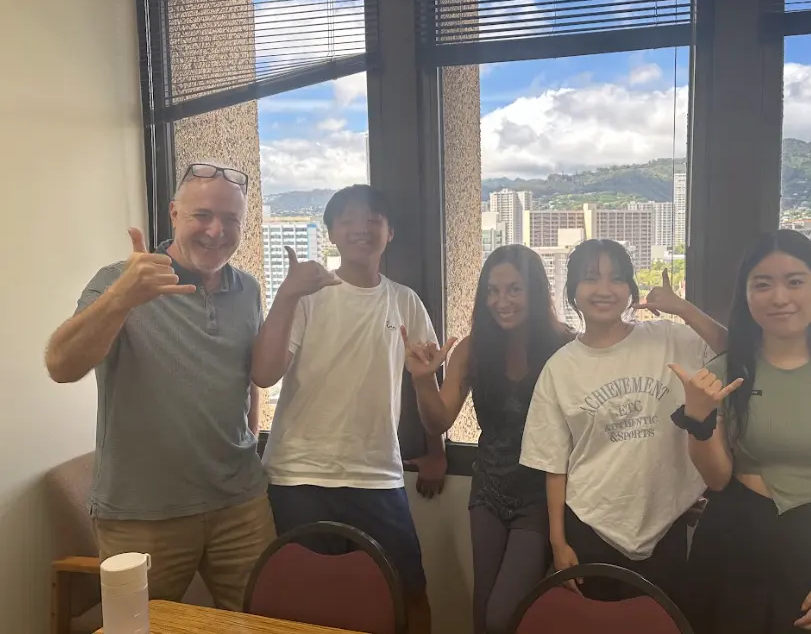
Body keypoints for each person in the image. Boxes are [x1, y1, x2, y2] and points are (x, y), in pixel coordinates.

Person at [44, 163, 275, 611]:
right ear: (173, 214)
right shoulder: (121, 280)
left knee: (261, 620)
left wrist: (248, 436)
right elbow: (61, 365)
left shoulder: (247, 288)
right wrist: (122, 298)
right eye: (202, 215)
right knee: (139, 624)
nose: (216, 231)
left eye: (231, 219)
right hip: (143, 512)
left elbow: (246, 377)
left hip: (241, 504)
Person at [675, 229, 811, 634]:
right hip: (732, 546)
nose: (779, 297)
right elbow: (717, 479)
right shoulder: (724, 371)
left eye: (795, 282)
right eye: (762, 285)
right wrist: (698, 420)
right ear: (746, 295)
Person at [251, 184, 447, 634]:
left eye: (374, 219)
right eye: (348, 219)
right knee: (303, 603)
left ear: (390, 232)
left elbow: (430, 398)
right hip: (299, 475)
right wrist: (286, 295)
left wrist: (435, 447)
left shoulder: (405, 301)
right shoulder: (308, 295)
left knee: (409, 595)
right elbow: (264, 374)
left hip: (377, 475)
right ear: (331, 233)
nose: (362, 227)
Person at [518, 239, 727, 606]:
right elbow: (553, 463)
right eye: (590, 278)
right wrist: (558, 541)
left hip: (665, 525)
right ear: (573, 290)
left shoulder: (667, 338)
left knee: (662, 623)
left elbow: (733, 350)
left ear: (630, 289)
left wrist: (682, 307)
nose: (604, 289)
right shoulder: (560, 368)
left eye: (616, 278)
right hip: (591, 525)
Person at [402, 244, 572, 634]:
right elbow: (439, 421)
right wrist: (423, 380)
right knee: (482, 612)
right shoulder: (473, 348)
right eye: (493, 291)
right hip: (488, 491)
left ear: (535, 291)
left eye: (514, 289)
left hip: (541, 495)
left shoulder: (564, 346)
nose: (502, 301)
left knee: (502, 615)